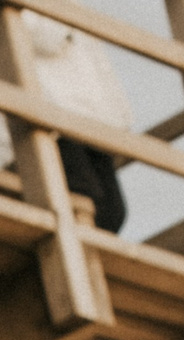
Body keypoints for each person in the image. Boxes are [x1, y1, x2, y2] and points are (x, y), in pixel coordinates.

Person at [14, 19, 133, 235]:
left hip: (93, 122)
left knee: (114, 211)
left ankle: (89, 264)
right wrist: (67, 21)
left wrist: (119, 118)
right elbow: (42, 38)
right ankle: (81, 264)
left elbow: (98, 67)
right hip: (53, 120)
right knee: (85, 198)